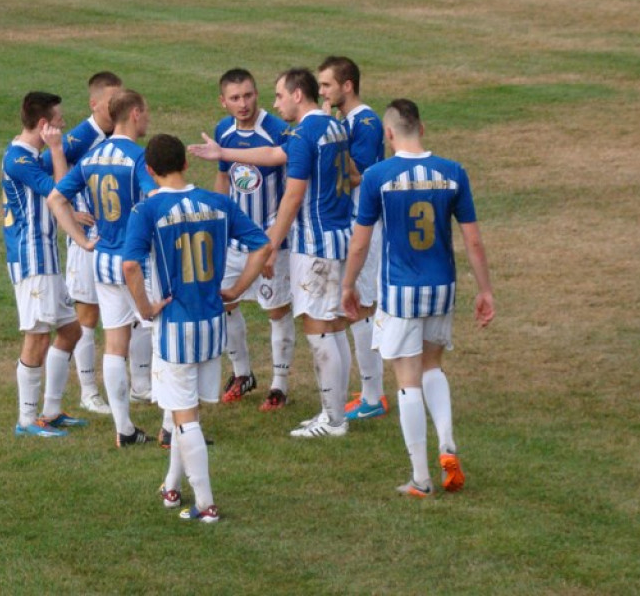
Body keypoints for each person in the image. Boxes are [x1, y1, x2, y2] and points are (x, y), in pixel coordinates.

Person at [190, 68, 357, 438]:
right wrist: (222, 153)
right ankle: (335, 414)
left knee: (319, 331)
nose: (272, 101)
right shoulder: (333, 126)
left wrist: (267, 247)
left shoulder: (300, 134)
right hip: (338, 236)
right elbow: (275, 155)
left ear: (298, 95)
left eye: (278, 95)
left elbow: (293, 195)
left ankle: (332, 419)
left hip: (314, 243)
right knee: (332, 328)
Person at [342, 99, 494, 497]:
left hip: (400, 292)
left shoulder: (378, 176)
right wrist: (485, 290)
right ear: (421, 128)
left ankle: (421, 478)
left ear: (389, 134)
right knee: (433, 367)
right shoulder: (453, 172)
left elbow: (359, 244)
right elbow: (473, 240)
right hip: (443, 287)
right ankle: (447, 441)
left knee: (407, 380)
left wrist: (348, 284)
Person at [123, 134, 272, 523]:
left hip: (175, 324)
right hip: (212, 322)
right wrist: (238, 289)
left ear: (151, 171)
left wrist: (145, 309)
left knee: (184, 415)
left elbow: (129, 266)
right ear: (186, 165)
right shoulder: (219, 203)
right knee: (179, 409)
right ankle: (171, 486)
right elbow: (262, 246)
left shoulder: (147, 210)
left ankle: (205, 504)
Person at [48, 90, 157, 447]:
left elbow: (56, 198)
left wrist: (81, 240)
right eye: (146, 113)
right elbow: (154, 199)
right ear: (135, 114)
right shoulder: (138, 157)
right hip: (136, 260)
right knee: (162, 332)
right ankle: (174, 424)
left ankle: (124, 428)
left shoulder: (93, 155)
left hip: (104, 258)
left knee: (114, 343)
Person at [1, 91, 94, 437]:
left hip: (47, 258)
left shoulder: (29, 155)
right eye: (58, 123)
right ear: (44, 126)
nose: (63, 126)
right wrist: (57, 150)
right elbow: (58, 189)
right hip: (32, 260)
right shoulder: (18, 161)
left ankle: (51, 410)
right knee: (37, 337)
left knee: (70, 331)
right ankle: (26, 420)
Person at [210, 68, 296, 409]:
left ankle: (280, 385)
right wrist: (218, 227)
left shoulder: (278, 131)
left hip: (271, 240)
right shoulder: (222, 131)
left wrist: (273, 244)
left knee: (276, 310)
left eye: (248, 95)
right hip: (234, 242)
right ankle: (243, 373)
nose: (242, 103)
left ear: (257, 93)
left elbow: (292, 191)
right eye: (234, 98)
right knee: (224, 300)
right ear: (223, 101)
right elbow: (223, 180)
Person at [41, 71, 123, 416]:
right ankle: (89, 392)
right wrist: (71, 209)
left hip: (117, 240)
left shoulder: (120, 134)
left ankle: (138, 385)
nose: (118, 107)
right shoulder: (79, 138)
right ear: (95, 104)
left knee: (126, 316)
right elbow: (43, 167)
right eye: (111, 102)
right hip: (86, 243)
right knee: (87, 316)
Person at [317, 56, 388, 421]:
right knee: (357, 308)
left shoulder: (366, 123)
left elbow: (356, 175)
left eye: (327, 85)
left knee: (360, 308)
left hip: (366, 222)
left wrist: (331, 131)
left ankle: (374, 397)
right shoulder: (351, 121)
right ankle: (371, 388)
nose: (322, 92)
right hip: (354, 221)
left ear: (347, 86)